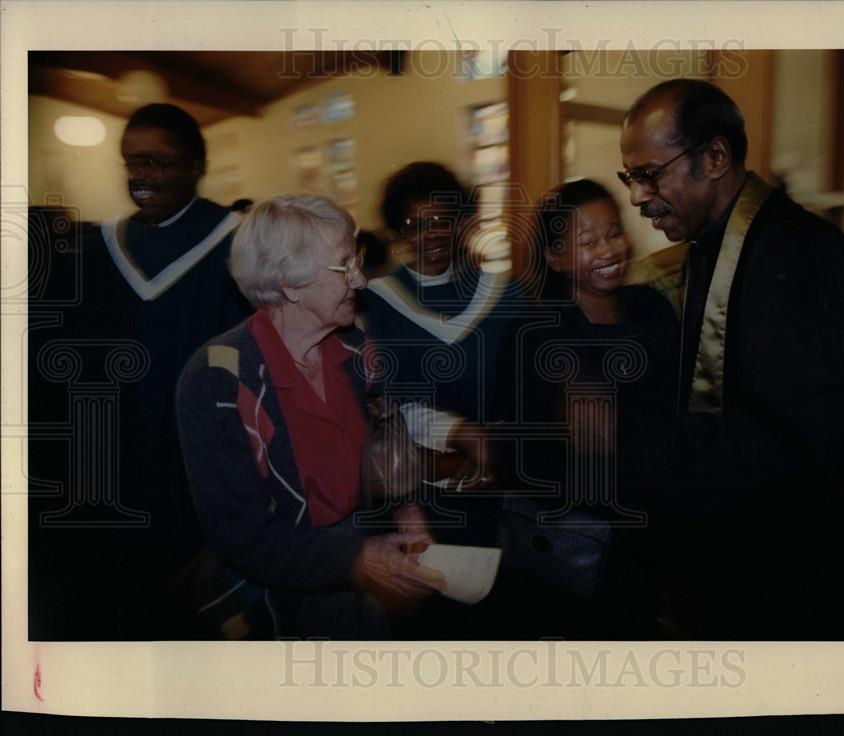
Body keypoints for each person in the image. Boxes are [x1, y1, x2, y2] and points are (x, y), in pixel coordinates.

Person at [619, 79, 844, 639]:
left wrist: (635, 448)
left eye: (649, 174)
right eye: (629, 178)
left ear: (715, 157)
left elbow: (800, 448)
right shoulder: (715, 246)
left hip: (809, 574)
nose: (637, 197)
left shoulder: (803, 258)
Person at [175, 195, 444, 639]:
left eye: (356, 259)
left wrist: (410, 516)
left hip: (364, 563)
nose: (361, 278)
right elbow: (240, 531)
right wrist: (355, 561)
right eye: (344, 266)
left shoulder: (357, 348)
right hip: (277, 593)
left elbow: (389, 437)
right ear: (289, 284)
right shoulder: (216, 377)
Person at [29, 103, 251, 639]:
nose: (144, 177)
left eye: (161, 162)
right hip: (107, 483)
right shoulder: (95, 253)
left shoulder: (240, 246)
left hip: (196, 480)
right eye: (133, 162)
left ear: (197, 165)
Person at [490, 179, 681, 639]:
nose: (607, 249)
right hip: (577, 551)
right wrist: (579, 446)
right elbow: (512, 460)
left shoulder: (652, 310)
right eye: (587, 241)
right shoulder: (535, 336)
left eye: (613, 232)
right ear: (555, 258)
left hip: (657, 534)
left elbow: (676, 414)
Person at [361, 162, 527, 545]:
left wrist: (502, 450)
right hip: (418, 490)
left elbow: (527, 388)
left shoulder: (506, 294)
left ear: (462, 222)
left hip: (504, 479)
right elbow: (379, 398)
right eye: (413, 226)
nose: (428, 235)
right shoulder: (377, 302)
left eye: (442, 220)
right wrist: (460, 434)